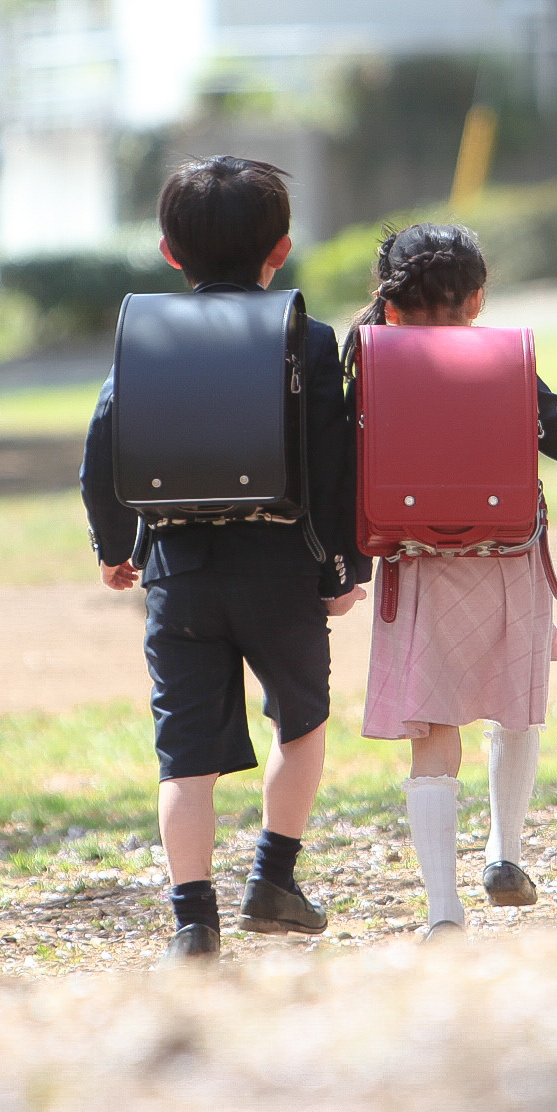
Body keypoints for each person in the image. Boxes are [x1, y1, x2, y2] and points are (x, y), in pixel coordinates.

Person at [82, 156, 367, 967]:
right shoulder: (304, 337)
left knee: (186, 757)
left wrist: (115, 547)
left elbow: (101, 446)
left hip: (177, 573)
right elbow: (332, 459)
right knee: (301, 720)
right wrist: (342, 566)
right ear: (280, 249)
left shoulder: (148, 337)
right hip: (282, 567)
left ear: (170, 253)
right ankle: (274, 879)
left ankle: (191, 922)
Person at [348, 223, 557, 940]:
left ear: (389, 304)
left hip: (417, 563)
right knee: (511, 705)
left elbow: (344, 469)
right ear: (478, 300)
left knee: (434, 726)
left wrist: (339, 567)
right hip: (510, 557)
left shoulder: (368, 363)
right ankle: (505, 852)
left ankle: (441, 908)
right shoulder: (505, 361)